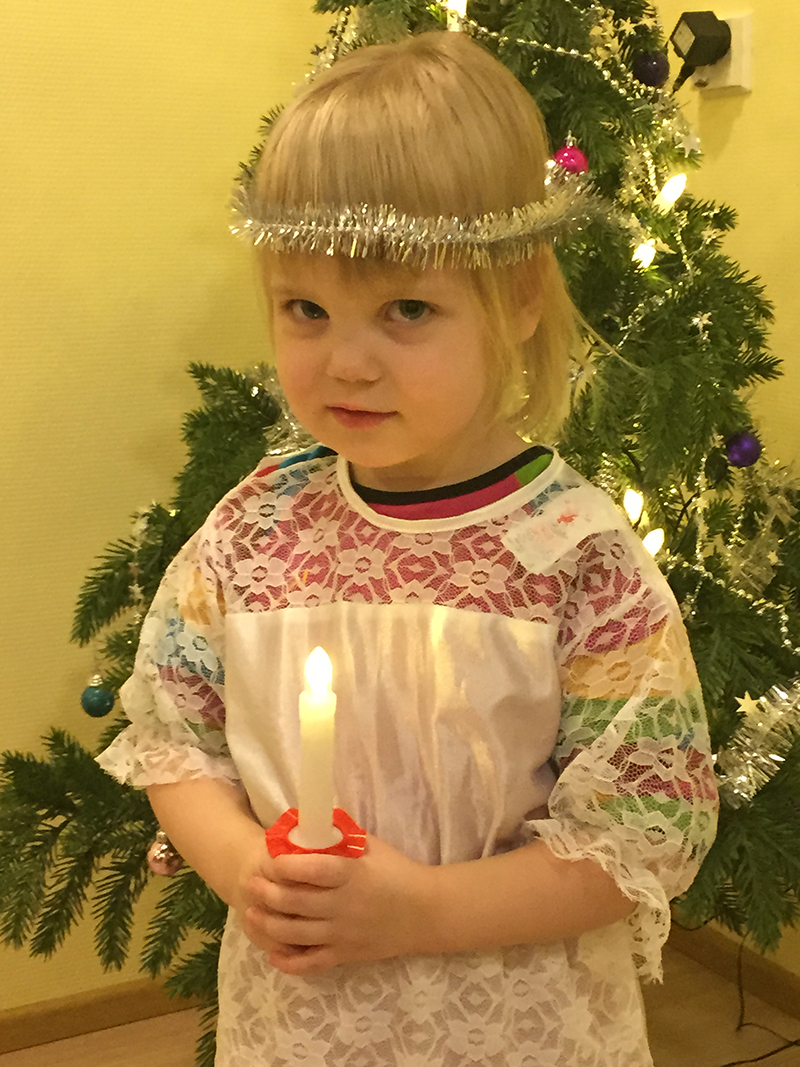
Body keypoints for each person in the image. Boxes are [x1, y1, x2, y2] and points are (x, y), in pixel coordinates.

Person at [98, 29, 718, 1067]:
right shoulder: (253, 529)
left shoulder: (576, 558)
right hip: (303, 1024)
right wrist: (246, 865)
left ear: (518, 297)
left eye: (406, 309)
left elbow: (637, 832)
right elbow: (175, 737)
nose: (347, 361)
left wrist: (421, 909)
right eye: (305, 308)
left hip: (515, 1028)